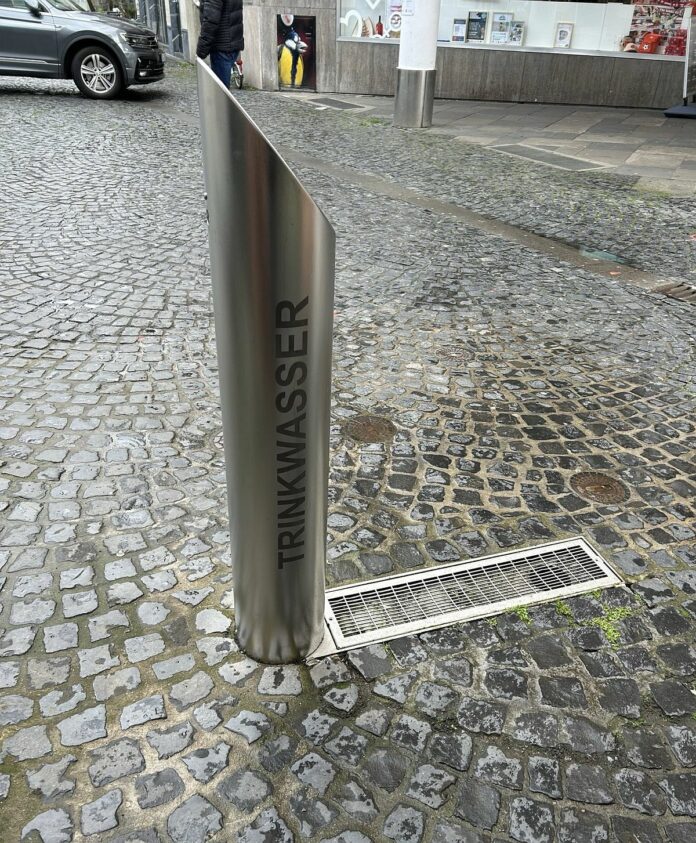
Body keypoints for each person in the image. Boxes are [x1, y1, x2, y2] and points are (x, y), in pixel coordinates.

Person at [196, 0, 244, 88]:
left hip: (222, 47)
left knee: (220, 94)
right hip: (231, 43)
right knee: (223, 92)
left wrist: (201, 50)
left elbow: (211, 20)